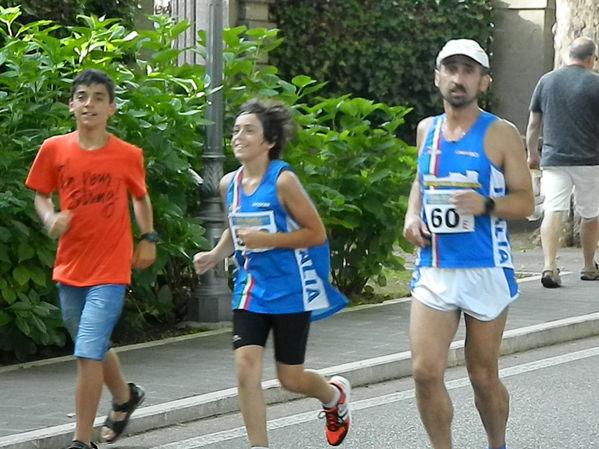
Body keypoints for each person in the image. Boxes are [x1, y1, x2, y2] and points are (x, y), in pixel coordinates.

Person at [193, 99, 351, 448]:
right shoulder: (228, 185)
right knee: (245, 369)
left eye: (249, 130)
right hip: (250, 289)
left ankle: (333, 395)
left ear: (268, 142)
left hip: (291, 290)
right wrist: (215, 254)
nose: (238, 136)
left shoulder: (283, 181)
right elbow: (235, 228)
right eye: (235, 130)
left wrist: (268, 239)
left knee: (290, 379)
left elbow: (315, 233)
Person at [403, 39, 534, 449]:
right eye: (451, 69)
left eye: (468, 71)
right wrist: (411, 215)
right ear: (437, 77)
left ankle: (497, 444)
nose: (458, 79)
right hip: (435, 267)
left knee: (482, 375)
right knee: (425, 372)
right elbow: (421, 181)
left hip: (485, 267)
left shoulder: (501, 133)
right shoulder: (427, 129)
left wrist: (486, 203)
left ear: (483, 81)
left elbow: (526, 202)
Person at [25, 69, 157, 449]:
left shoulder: (127, 154)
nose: (90, 103)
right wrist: (50, 218)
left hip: (111, 268)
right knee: (92, 343)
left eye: (99, 97)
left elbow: (140, 196)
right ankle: (125, 397)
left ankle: (81, 441)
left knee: (87, 349)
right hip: (70, 264)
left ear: (112, 108)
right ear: (72, 105)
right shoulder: (54, 149)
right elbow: (40, 194)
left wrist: (147, 237)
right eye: (82, 96)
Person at [526, 36, 599, 288]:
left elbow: (534, 124)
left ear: (569, 55)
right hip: (590, 160)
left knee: (553, 209)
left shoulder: (546, 81)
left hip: (554, 158)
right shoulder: (596, 83)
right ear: (591, 59)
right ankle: (589, 266)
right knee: (589, 214)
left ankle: (549, 265)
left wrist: (531, 153)